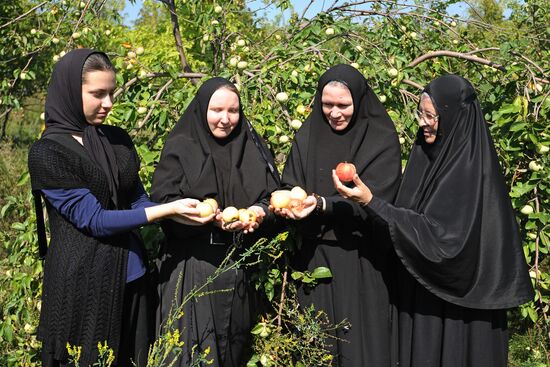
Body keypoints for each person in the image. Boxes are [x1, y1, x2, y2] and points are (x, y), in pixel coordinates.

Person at [27, 49, 213, 367]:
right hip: (84, 284)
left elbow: (138, 201)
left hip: (133, 277)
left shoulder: (116, 139)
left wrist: (180, 211)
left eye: (111, 92)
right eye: (97, 94)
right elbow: (93, 219)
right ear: (71, 92)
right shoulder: (49, 152)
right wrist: (165, 211)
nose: (108, 103)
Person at [333, 74, 534, 366]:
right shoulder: (424, 159)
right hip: (425, 300)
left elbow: (443, 242)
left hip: (461, 310)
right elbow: (408, 222)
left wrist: (371, 202)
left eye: (431, 116)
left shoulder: (472, 172)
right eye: (420, 114)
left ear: (454, 118)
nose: (423, 123)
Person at [274, 64, 402, 366]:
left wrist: (323, 205)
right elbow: (291, 183)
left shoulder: (380, 139)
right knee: (318, 348)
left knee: (361, 348)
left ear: (358, 101)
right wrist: (290, 202)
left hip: (363, 260)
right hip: (313, 258)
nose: (334, 112)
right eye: (327, 104)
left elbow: (381, 201)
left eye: (343, 105)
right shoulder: (308, 135)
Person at [150, 77, 280, 367]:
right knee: (190, 355)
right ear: (201, 110)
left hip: (239, 270)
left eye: (233, 111)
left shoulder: (250, 145)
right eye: (217, 110)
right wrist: (205, 219)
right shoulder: (181, 146)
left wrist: (258, 214)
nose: (225, 119)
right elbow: (162, 203)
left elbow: (273, 198)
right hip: (192, 268)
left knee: (232, 354)